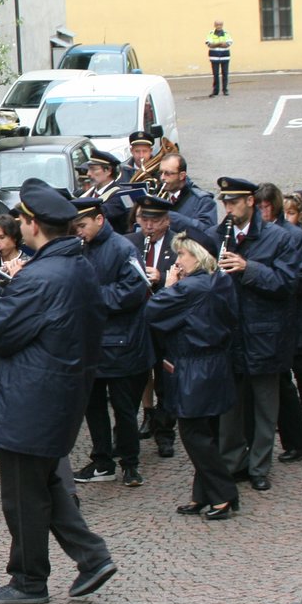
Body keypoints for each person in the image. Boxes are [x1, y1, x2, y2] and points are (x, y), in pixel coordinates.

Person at [0, 182, 116, 604]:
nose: (18, 224)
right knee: (45, 484)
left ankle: (29, 580)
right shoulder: (75, 265)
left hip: (29, 401)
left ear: (33, 225)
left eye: (22, 220)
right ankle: (92, 557)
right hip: (55, 395)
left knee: (21, 496)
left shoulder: (42, 277)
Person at [145, 234, 241, 519]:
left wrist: (168, 285)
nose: (178, 261)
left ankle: (224, 495)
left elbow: (153, 311)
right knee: (205, 432)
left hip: (195, 367)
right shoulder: (220, 280)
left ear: (198, 256)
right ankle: (203, 494)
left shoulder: (189, 288)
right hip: (214, 363)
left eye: (183, 255)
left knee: (194, 435)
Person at [212, 177, 296, 493]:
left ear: (250, 202)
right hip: (230, 332)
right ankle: (233, 463)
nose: (229, 209)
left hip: (264, 334)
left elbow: (288, 283)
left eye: (234, 202)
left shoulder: (278, 237)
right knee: (230, 407)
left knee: (264, 406)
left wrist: (249, 268)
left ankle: (260, 466)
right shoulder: (220, 235)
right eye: (225, 203)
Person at [72, 194, 152, 488]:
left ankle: (130, 463)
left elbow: (135, 290)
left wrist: (92, 298)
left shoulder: (122, 247)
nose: (79, 231)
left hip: (120, 343)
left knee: (123, 408)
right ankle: (102, 459)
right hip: (92, 344)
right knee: (93, 406)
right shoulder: (81, 249)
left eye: (82, 225)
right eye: (75, 226)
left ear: (99, 219)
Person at [255, 182, 302, 461]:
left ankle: (298, 441)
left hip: (288, 317)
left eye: (264, 207)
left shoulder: (294, 237)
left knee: (283, 381)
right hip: (272, 319)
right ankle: (297, 442)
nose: (261, 212)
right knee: (280, 382)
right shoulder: (266, 234)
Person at [127, 195, 179, 459]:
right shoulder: (130, 242)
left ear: (166, 221)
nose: (148, 226)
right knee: (136, 376)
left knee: (165, 380)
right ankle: (143, 418)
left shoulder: (178, 245)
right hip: (138, 322)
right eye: (144, 219)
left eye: (155, 220)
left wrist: (161, 277)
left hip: (166, 324)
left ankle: (165, 432)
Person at [156, 153, 219, 233]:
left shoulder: (203, 201)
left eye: (168, 174)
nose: (162, 178)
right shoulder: (157, 196)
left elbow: (208, 231)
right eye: (160, 173)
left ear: (182, 176)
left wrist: (171, 216)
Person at [81, 152, 132, 234]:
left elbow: (101, 213)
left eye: (93, 169)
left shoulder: (119, 195)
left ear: (108, 171)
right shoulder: (90, 193)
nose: (88, 174)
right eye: (89, 169)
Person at [205, 19, 232, 97]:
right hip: (214, 56)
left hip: (225, 56)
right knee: (215, 74)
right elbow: (209, 44)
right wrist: (220, 43)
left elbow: (228, 44)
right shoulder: (211, 33)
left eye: (220, 25)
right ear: (214, 25)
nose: (219, 26)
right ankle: (215, 91)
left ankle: (225, 90)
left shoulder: (226, 33)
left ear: (222, 25)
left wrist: (216, 44)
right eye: (217, 24)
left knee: (225, 74)